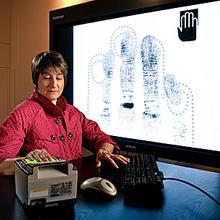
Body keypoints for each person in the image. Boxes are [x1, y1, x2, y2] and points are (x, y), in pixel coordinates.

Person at [0, 51, 129, 175]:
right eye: (46, 78)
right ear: (36, 80)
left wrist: (104, 150)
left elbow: (101, 138)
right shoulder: (22, 114)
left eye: (59, 78)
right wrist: (28, 161)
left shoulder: (73, 113)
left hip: (77, 187)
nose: (54, 84)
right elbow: (2, 164)